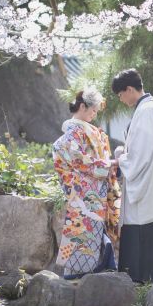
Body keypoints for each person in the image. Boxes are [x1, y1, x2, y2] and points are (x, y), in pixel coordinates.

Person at [112, 68, 153, 281]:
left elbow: (140, 154)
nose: (121, 100)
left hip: (146, 186)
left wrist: (121, 157)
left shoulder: (147, 110)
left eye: (121, 94)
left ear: (130, 89)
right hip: (149, 183)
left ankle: (142, 280)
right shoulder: (148, 108)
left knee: (144, 230)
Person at [52, 88, 121, 279]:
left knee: (97, 229)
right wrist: (109, 164)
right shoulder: (74, 130)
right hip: (84, 191)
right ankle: (76, 274)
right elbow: (78, 160)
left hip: (96, 187)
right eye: (93, 110)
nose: (94, 114)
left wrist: (108, 164)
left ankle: (100, 269)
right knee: (82, 229)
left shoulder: (86, 129)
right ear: (82, 106)